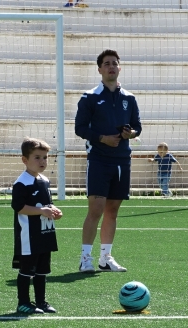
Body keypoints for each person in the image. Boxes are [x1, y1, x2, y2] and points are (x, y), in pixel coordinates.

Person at [74, 49, 142, 272]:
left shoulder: (129, 98)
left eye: (114, 63)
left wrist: (129, 134)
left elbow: (137, 127)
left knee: (113, 211)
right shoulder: (89, 97)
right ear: (100, 69)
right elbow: (80, 128)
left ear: (119, 68)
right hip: (99, 160)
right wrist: (103, 138)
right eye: (106, 63)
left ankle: (106, 258)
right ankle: (86, 258)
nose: (111, 66)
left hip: (122, 160)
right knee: (96, 210)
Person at [11, 138, 63, 314]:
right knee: (27, 270)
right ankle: (23, 303)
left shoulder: (44, 180)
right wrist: (41, 211)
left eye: (45, 158)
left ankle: (41, 302)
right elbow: (19, 207)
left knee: (42, 270)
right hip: (28, 235)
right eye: (37, 157)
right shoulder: (21, 183)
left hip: (45, 232)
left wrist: (54, 210)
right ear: (25, 160)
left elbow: (46, 203)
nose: (42, 162)